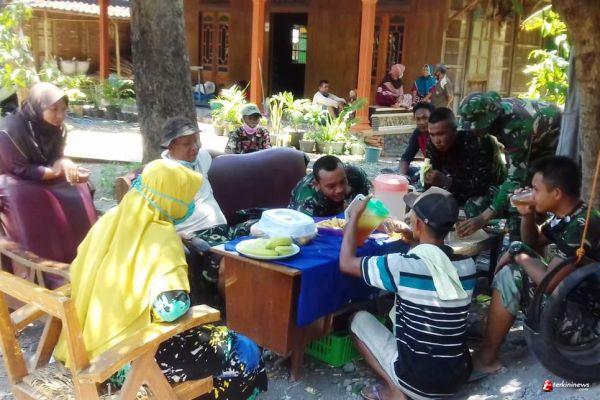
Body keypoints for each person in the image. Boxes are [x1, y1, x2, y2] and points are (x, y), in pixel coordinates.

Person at [53, 159, 268, 399]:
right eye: (186, 199)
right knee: (244, 350)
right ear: (172, 200)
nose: (189, 205)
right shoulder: (162, 237)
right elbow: (170, 310)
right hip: (126, 361)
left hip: (90, 347)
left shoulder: (110, 219)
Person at [339, 187, 476, 400]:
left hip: (417, 383)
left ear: (419, 224)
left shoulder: (402, 266)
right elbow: (433, 259)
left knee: (356, 319)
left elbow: (346, 263)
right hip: (455, 378)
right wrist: (411, 236)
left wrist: (354, 218)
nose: (409, 216)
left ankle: (394, 392)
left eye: (412, 214)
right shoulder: (469, 266)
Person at [471, 156, 600, 380]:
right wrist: (527, 215)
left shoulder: (582, 225)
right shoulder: (569, 216)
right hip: (578, 304)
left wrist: (518, 255)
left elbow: (550, 283)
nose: (531, 193)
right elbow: (532, 242)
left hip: (590, 327)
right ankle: (491, 340)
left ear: (556, 193)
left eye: (536, 189)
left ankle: (487, 358)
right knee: (519, 256)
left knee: (512, 275)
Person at [161, 117, 255, 306]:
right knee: (231, 264)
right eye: (187, 144)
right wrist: (180, 236)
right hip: (197, 237)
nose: (194, 148)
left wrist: (238, 159)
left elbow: (210, 153)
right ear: (170, 146)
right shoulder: (163, 174)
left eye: (196, 141)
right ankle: (235, 313)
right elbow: (156, 220)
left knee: (266, 229)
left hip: (224, 230)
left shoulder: (199, 158)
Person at [456, 91, 561, 237]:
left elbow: (514, 179)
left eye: (475, 128)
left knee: (520, 199)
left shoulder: (515, 126)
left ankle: (521, 242)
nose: (472, 132)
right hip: (534, 139)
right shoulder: (495, 111)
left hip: (552, 141)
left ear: (489, 120)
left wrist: (483, 218)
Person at [0, 82, 90, 184]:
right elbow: (22, 170)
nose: (60, 116)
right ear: (38, 107)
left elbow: (55, 156)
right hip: (11, 182)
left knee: (83, 185)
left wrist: (64, 163)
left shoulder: (57, 128)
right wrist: (60, 172)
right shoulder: (9, 130)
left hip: (41, 177)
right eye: (54, 109)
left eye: (64, 109)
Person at [425, 107, 506, 213]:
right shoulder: (432, 145)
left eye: (441, 134)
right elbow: (434, 183)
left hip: (491, 187)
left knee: (474, 207)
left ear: (455, 130)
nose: (436, 141)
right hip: (457, 185)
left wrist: (447, 181)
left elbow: (482, 187)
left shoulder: (478, 140)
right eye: (432, 135)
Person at [289, 155, 371, 217]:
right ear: (317, 185)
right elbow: (302, 230)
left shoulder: (355, 175)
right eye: (331, 186)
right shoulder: (306, 201)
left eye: (343, 181)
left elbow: (366, 205)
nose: (339, 189)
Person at [397, 101, 436, 183]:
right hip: (428, 169)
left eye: (425, 118)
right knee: (394, 171)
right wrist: (401, 176)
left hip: (440, 173)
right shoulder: (418, 133)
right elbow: (406, 157)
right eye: (418, 119)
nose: (421, 122)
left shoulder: (438, 133)